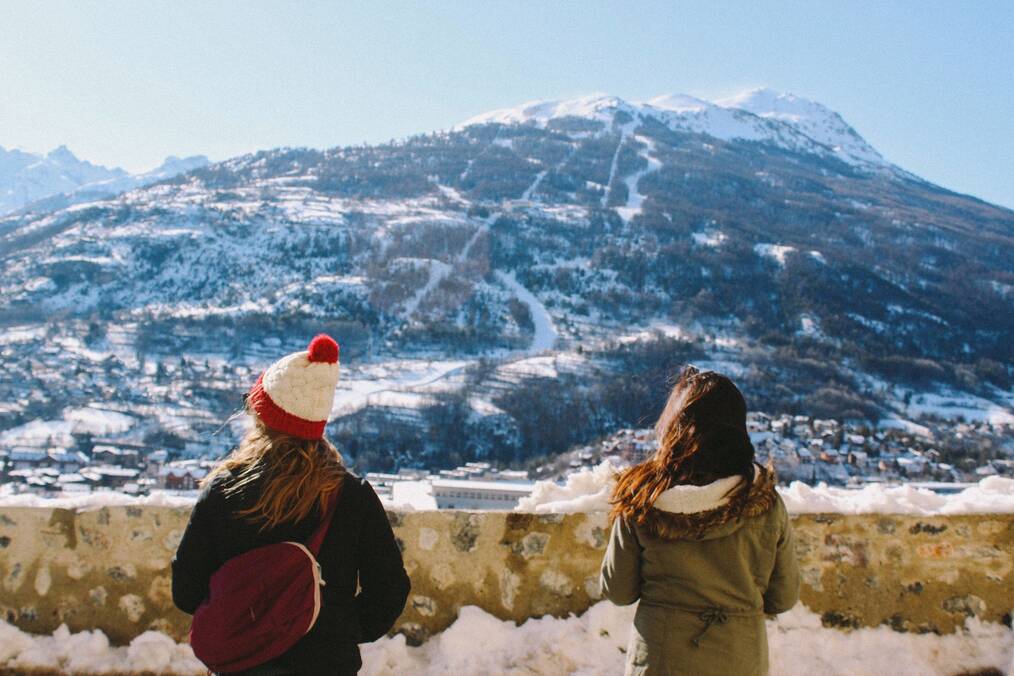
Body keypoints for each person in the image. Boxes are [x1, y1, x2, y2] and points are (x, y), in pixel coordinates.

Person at [172, 334, 410, 675]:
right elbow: (389, 589)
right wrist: (340, 630)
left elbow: (185, 590)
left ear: (263, 417)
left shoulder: (225, 491)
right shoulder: (352, 496)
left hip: (243, 664)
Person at [600, 366, 799, 676]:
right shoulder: (766, 504)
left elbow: (618, 590)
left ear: (673, 426)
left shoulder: (642, 500)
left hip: (660, 659)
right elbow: (782, 598)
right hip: (739, 659)